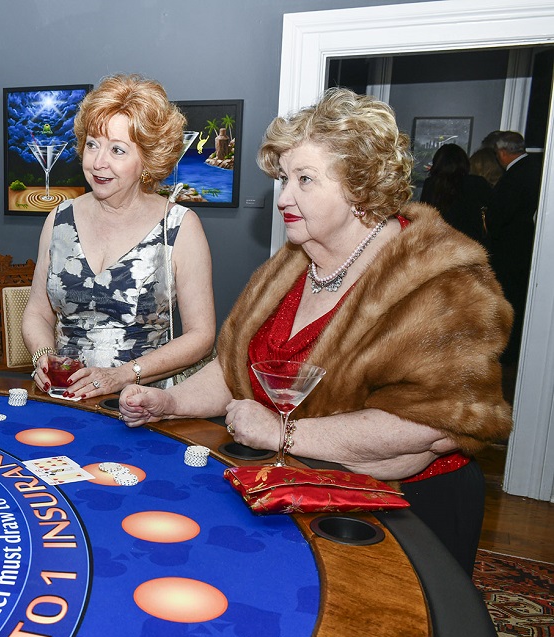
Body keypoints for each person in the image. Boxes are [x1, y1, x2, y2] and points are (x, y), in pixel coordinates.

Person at [120, 88, 513, 574]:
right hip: (294, 495)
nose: (283, 196)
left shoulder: (444, 282)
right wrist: (171, 401)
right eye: (284, 179)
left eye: (305, 180)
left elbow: (433, 426)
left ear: (359, 187)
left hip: (404, 514)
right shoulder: (287, 265)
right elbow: (232, 370)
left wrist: (282, 432)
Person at [21, 73, 215, 399]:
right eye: (93, 145)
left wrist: (122, 376)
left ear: (148, 161)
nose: (99, 162)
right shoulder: (59, 219)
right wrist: (43, 356)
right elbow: (38, 311)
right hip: (65, 399)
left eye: (118, 150)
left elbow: (201, 335)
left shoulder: (181, 226)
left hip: (143, 406)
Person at [484, 129, 542, 365]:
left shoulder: (515, 175)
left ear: (502, 152)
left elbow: (499, 217)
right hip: (524, 248)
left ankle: (507, 353)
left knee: (509, 301)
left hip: (510, 250)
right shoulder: (536, 169)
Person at [418, 142, 492, 245]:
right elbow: (492, 212)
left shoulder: (431, 184)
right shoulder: (477, 182)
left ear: (437, 163)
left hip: (440, 241)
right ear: (464, 162)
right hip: (471, 241)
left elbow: (425, 213)